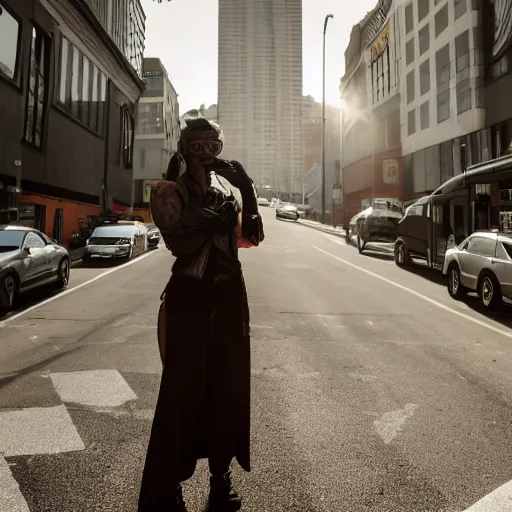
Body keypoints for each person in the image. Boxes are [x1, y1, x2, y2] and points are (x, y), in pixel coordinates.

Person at [138, 111, 264, 512]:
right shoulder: (168, 191)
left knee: (227, 392)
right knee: (182, 394)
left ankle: (219, 482)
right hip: (191, 300)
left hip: (229, 300)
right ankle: (170, 486)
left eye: (214, 146)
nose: (207, 155)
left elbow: (253, 236)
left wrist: (246, 188)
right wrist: (211, 220)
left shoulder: (226, 191)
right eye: (199, 147)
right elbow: (178, 240)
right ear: (185, 149)